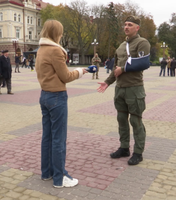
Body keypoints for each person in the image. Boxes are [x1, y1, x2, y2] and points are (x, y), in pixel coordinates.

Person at [35, 19, 87, 188]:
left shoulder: (41, 50)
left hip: (44, 95)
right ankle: (59, 178)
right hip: (57, 97)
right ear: (56, 33)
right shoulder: (56, 51)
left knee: (47, 137)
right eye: (61, 32)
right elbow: (65, 76)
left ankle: (46, 173)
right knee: (59, 138)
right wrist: (80, 71)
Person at [97, 16, 150, 165]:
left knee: (135, 120)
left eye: (130, 25)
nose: (126, 27)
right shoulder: (121, 46)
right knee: (121, 119)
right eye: (125, 24)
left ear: (137, 28)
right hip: (120, 89)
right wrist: (107, 83)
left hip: (134, 89)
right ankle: (124, 147)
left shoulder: (142, 43)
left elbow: (144, 63)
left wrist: (124, 68)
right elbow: (115, 69)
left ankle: (138, 152)